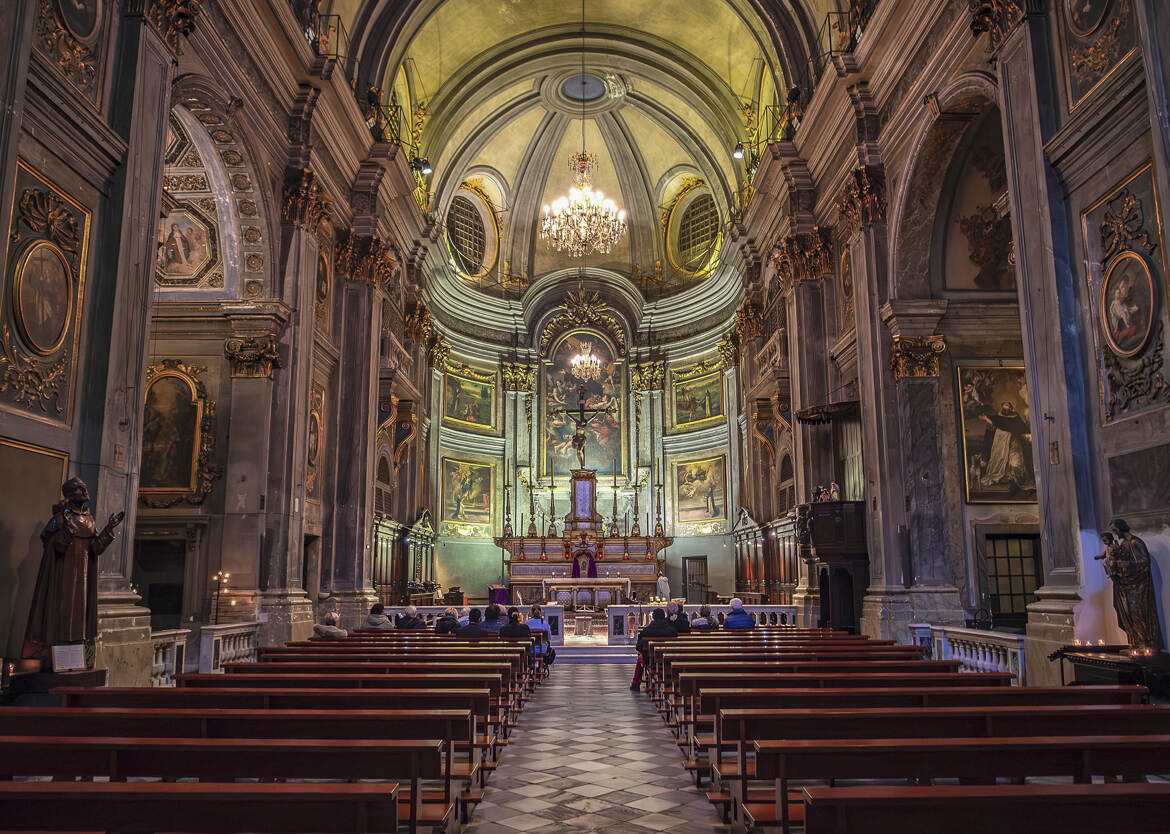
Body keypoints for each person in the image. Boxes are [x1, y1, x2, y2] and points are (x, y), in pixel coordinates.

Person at [630, 608, 677, 691]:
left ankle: (635, 683)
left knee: (640, 657)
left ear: (653, 617)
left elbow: (638, 647)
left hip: (650, 660)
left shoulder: (647, 631)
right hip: (668, 659)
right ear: (664, 617)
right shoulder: (672, 631)